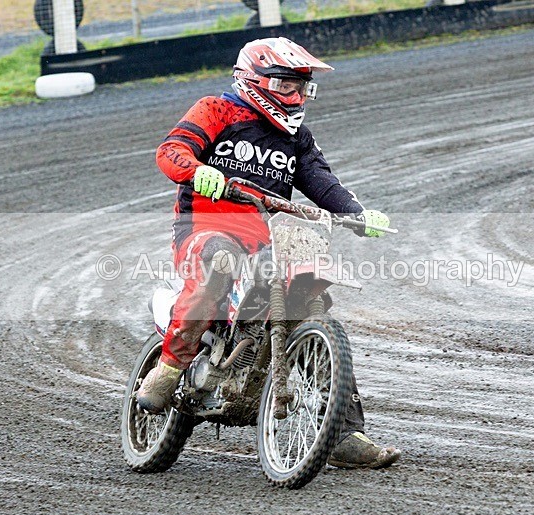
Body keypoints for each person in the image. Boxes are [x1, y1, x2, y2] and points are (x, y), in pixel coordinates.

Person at [137, 37, 400, 469]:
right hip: (205, 229)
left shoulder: (297, 138)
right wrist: (199, 171)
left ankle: (342, 431)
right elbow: (170, 151)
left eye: (303, 88)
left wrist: (357, 213)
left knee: (316, 307)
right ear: (252, 79)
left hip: (269, 238)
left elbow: (321, 182)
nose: (296, 97)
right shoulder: (215, 110)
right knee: (218, 263)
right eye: (285, 85)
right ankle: (167, 369)